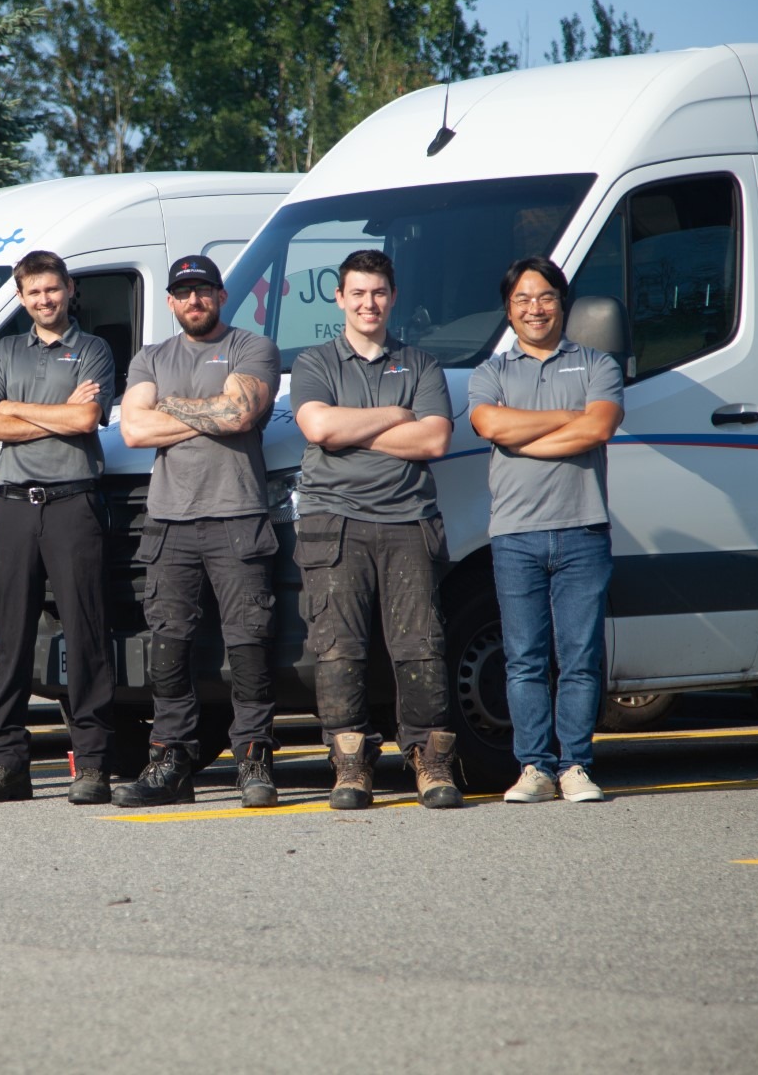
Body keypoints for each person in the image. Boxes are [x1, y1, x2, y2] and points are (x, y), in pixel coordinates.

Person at [290, 250, 463, 810]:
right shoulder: (315, 362)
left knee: (421, 647)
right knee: (337, 648)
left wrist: (352, 430)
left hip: (408, 519)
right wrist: (396, 414)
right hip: (334, 521)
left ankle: (430, 761)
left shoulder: (421, 364)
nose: (369, 303)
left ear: (393, 297)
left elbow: (434, 439)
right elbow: (319, 427)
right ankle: (350, 765)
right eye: (358, 293)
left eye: (379, 293)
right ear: (339, 298)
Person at [115, 255, 282, 809]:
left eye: (204, 290)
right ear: (170, 301)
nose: (194, 300)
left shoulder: (251, 347)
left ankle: (253, 760)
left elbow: (238, 415)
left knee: (249, 643)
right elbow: (133, 430)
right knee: (169, 647)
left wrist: (167, 407)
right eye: (183, 292)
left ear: (221, 295)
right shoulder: (150, 357)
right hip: (169, 523)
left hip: (238, 517)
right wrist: (209, 412)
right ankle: (171, 761)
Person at [468, 256, 624, 804]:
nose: (535, 309)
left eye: (545, 297)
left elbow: (599, 426)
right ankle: (534, 766)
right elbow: (488, 423)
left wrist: (523, 439)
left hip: (583, 529)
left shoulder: (597, 364)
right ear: (508, 310)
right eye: (523, 299)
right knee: (525, 659)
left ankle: (576, 765)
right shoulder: (491, 373)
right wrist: (567, 417)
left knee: (580, 658)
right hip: (515, 533)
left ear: (563, 303)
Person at [0, 251, 116, 805]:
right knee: (10, 638)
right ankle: (7, 763)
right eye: (34, 292)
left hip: (73, 504)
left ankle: (92, 764)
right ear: (21, 296)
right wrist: (49, 413)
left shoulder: (93, 349)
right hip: (13, 507)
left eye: (52, 289)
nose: (44, 299)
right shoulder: (6, 351)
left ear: (69, 289)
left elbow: (85, 419)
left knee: (85, 634)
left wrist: (15, 408)